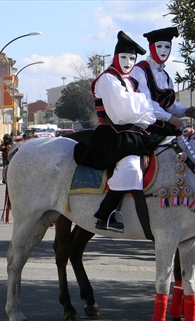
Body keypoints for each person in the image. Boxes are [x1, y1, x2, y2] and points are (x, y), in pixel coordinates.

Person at [74, 30, 162, 231]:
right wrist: (139, 104)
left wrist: (137, 105)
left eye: (132, 58)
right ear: (115, 57)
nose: (128, 62)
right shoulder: (107, 79)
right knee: (131, 168)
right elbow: (121, 113)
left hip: (132, 133)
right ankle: (105, 215)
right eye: (124, 57)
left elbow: (147, 113)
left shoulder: (131, 82)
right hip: (111, 135)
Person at [131, 26, 195, 135]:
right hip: (143, 128)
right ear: (151, 48)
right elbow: (146, 104)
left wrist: (185, 111)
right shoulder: (139, 71)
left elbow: (170, 106)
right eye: (159, 46)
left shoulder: (165, 76)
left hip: (161, 125)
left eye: (167, 47)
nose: (163, 50)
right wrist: (171, 118)